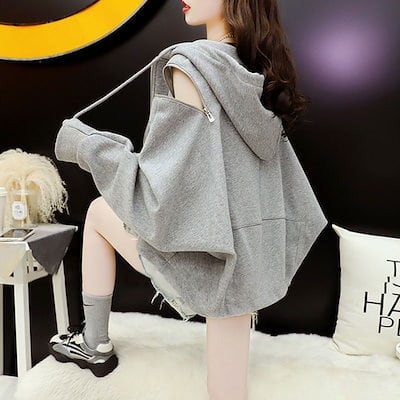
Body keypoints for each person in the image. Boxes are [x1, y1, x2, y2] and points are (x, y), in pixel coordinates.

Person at [48, 0, 328, 399]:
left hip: (207, 256)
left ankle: (95, 345)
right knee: (228, 391)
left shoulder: (190, 66)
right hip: (252, 259)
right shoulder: (258, 73)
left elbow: (166, 191)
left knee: (97, 212)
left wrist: (86, 145)